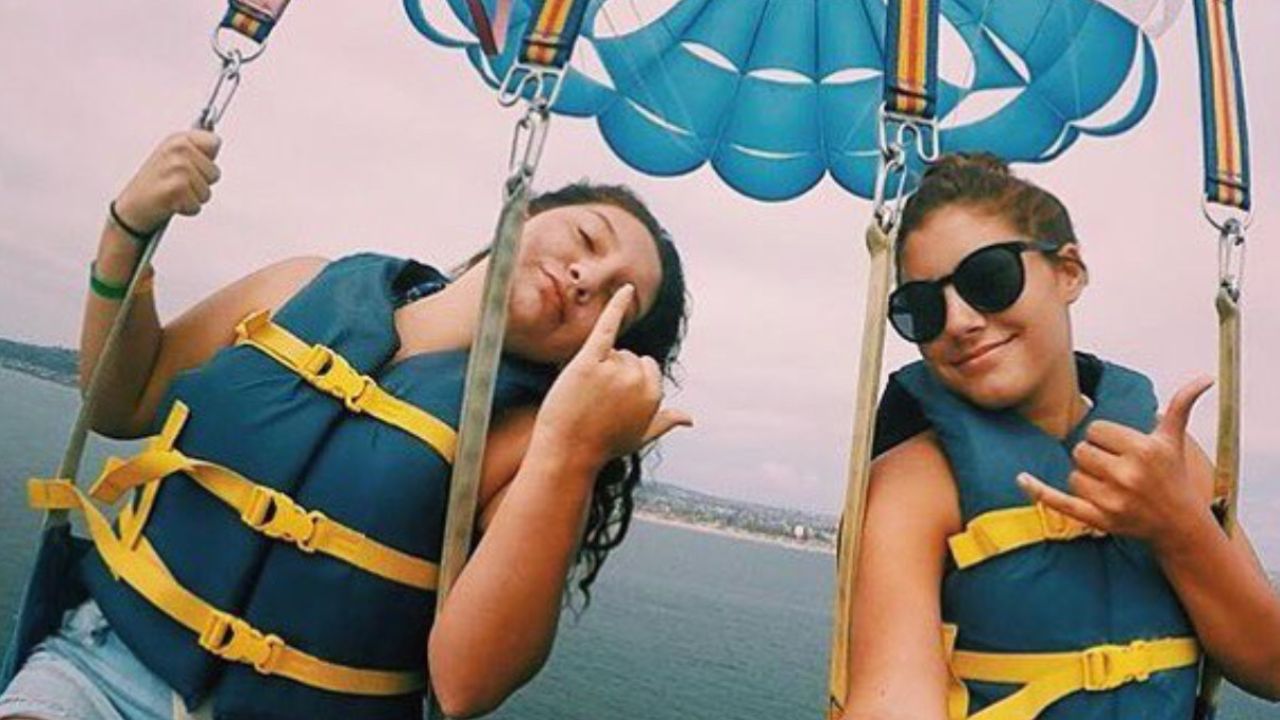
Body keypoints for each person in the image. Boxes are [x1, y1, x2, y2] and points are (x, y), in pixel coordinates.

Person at [0, 129, 691, 720]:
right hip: (96, 672)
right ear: (529, 210)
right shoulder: (302, 285)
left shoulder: (530, 445)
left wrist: (571, 454)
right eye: (587, 239)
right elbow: (125, 401)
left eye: (614, 302)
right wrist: (127, 231)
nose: (584, 277)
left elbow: (465, 687)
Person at [840, 153, 1280, 719]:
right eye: (923, 309)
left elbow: (1269, 667)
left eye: (988, 279)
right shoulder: (911, 487)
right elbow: (892, 697)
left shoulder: (1163, 458)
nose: (958, 321)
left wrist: (1178, 526)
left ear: (1068, 272)